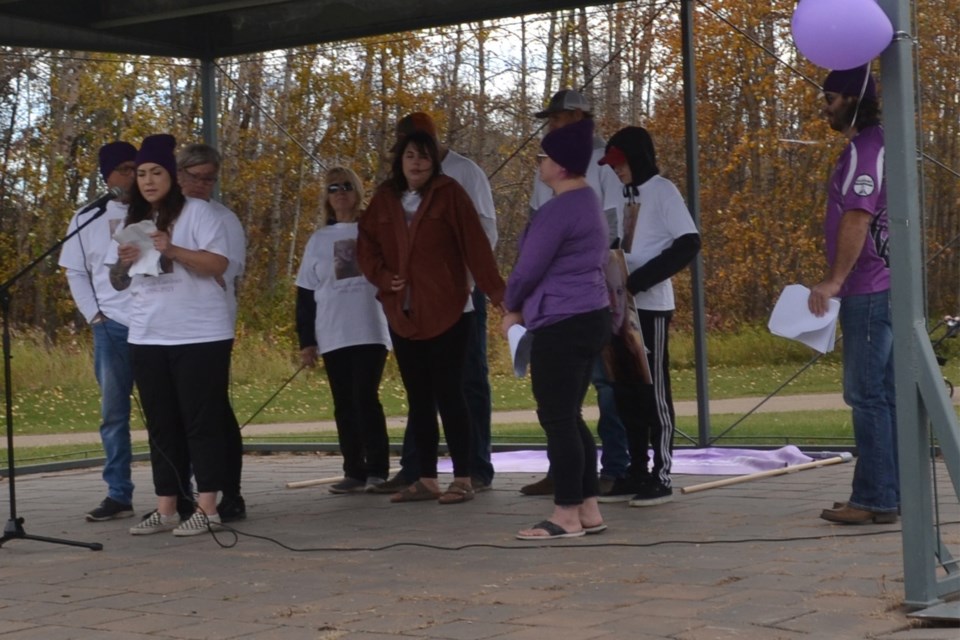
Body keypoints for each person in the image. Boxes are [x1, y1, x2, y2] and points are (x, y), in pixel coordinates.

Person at [357, 130, 505, 505]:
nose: (417, 162)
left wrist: (501, 295)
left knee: (452, 394)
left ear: (434, 161)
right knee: (418, 397)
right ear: (399, 160)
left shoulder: (450, 193)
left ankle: (463, 477)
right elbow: (366, 243)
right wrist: (380, 275)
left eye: (424, 156)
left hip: (450, 309)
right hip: (404, 312)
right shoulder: (385, 198)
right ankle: (425, 478)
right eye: (410, 156)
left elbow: (476, 244)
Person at [111, 134, 233, 536]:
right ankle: (166, 507)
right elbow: (118, 282)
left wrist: (173, 249)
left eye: (156, 172)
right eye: (141, 174)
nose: (147, 181)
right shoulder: (134, 220)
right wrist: (124, 263)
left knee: (201, 422)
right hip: (148, 334)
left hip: (198, 334)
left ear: (173, 176)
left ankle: (207, 507)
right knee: (161, 424)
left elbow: (218, 264)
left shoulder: (201, 213)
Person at [503, 117, 610, 539]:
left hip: (562, 322)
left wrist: (512, 307)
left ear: (561, 165)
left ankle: (565, 514)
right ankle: (588, 507)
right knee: (570, 415)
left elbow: (528, 268)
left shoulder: (559, 210)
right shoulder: (589, 203)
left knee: (557, 418)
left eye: (542, 156)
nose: (537, 162)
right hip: (591, 316)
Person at [521, 88, 629, 497]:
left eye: (560, 117)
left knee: (604, 384)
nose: (552, 124)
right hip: (553, 297)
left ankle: (614, 465)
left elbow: (612, 228)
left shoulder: (600, 164)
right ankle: (563, 470)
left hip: (588, 293)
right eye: (550, 118)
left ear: (583, 117)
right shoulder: (548, 165)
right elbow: (536, 223)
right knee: (559, 401)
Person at [808, 65, 898, 525]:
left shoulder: (867, 148)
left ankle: (876, 498)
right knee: (881, 396)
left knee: (866, 397)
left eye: (829, 99)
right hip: (879, 288)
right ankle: (881, 493)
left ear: (850, 99)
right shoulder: (873, 144)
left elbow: (857, 217)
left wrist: (835, 281)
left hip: (868, 288)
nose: (824, 107)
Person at [596, 126, 701, 505]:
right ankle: (634, 470)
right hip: (618, 305)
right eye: (612, 165)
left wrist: (640, 279)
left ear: (637, 158)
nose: (616, 171)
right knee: (625, 390)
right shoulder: (615, 191)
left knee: (653, 390)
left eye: (620, 163)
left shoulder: (663, 191)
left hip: (651, 306)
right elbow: (613, 237)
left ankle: (661, 472)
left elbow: (689, 242)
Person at [296, 166, 391, 493]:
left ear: (358, 192)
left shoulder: (374, 230)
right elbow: (305, 293)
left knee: (365, 397)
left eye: (346, 187)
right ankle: (354, 469)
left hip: (369, 328)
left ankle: (378, 468)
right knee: (343, 403)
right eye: (333, 188)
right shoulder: (318, 239)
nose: (340, 193)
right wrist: (307, 341)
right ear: (326, 197)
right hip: (332, 332)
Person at [58, 141, 138, 522]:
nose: (131, 175)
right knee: (113, 414)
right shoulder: (86, 217)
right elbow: (75, 271)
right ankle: (118, 493)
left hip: (156, 325)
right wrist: (95, 316)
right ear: (108, 175)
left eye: (136, 167)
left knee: (166, 411)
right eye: (123, 168)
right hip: (111, 326)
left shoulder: (156, 210)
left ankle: (180, 491)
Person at [176, 143, 248, 523]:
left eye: (209, 179)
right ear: (178, 175)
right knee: (181, 413)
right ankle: (180, 493)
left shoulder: (222, 218)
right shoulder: (163, 216)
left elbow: (223, 269)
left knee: (214, 411)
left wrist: (184, 258)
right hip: (172, 328)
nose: (202, 185)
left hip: (211, 325)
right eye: (194, 177)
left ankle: (229, 492)